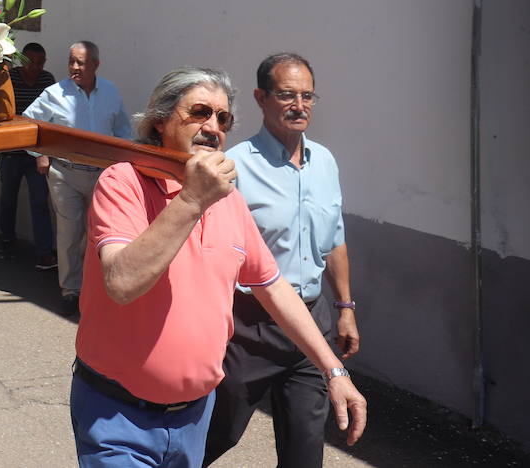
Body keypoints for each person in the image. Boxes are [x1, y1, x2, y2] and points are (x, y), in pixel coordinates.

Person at [72, 68, 366, 467]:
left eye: (222, 118)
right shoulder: (123, 182)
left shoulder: (228, 201)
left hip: (193, 418)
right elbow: (122, 282)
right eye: (199, 112)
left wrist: (334, 372)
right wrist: (192, 200)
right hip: (117, 413)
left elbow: (274, 287)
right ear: (159, 121)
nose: (213, 127)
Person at [203, 54, 359, 468]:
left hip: (312, 323)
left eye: (307, 96)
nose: (299, 105)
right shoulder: (237, 167)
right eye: (287, 94)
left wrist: (345, 308)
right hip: (250, 326)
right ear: (260, 98)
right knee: (217, 434)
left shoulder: (324, 162)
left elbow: (335, 239)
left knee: (305, 452)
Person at [23, 41, 134, 309]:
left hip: (102, 176)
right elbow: (28, 124)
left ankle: (95, 287)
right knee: (69, 233)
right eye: (72, 61)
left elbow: (124, 131)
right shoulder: (54, 93)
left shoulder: (110, 92)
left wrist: (124, 166)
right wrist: (42, 154)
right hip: (65, 174)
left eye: (81, 63)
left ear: (96, 64)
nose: (75, 67)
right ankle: (70, 290)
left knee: (99, 233)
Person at [0, 42, 57, 266]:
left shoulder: (47, 80)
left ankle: (44, 251)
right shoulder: (9, 78)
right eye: (32, 62)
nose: (36, 67)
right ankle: (6, 240)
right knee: (8, 200)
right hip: (11, 151)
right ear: (23, 60)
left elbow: (53, 115)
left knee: (40, 201)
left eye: (41, 63)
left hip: (37, 153)